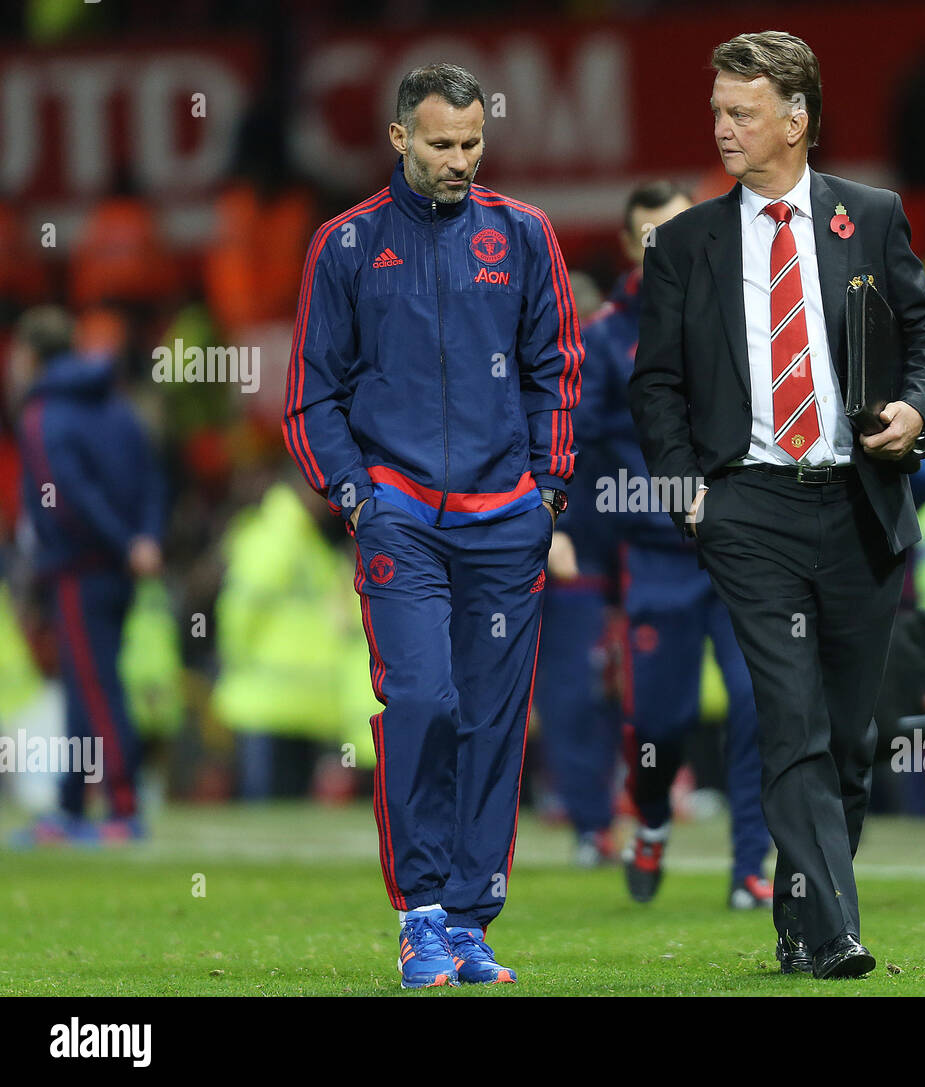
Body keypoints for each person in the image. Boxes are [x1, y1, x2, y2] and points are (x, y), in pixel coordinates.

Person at [629, 31, 925, 978]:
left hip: (859, 501)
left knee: (852, 738)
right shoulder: (683, 244)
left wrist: (916, 409)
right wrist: (690, 490)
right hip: (749, 511)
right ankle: (837, 935)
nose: (723, 127)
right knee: (792, 719)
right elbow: (656, 385)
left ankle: (800, 914)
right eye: (719, 110)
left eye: (742, 111)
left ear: (795, 118)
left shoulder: (872, 216)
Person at [283, 63, 582, 987]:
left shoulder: (525, 234)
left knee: (494, 724)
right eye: (442, 144)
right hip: (400, 515)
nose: (460, 160)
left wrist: (550, 493)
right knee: (422, 701)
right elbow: (309, 397)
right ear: (398, 139)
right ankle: (420, 913)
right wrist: (355, 496)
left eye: (473, 143)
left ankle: (469, 918)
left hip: (506, 519)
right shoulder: (344, 247)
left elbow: (557, 371)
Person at [579, 180, 773, 908]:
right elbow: (583, 448)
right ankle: (653, 818)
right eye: (650, 235)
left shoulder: (742, 311)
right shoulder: (603, 339)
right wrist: (577, 533)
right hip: (656, 555)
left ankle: (750, 864)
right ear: (631, 247)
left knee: (759, 700)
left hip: (738, 547)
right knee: (661, 721)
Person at [11, 305, 166, 845]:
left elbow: (67, 497)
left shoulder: (42, 414)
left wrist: (122, 544)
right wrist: (142, 539)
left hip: (80, 568)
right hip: (121, 567)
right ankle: (70, 806)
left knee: (97, 687)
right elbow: (151, 474)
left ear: (30, 354)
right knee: (85, 686)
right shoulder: (115, 402)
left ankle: (123, 807)